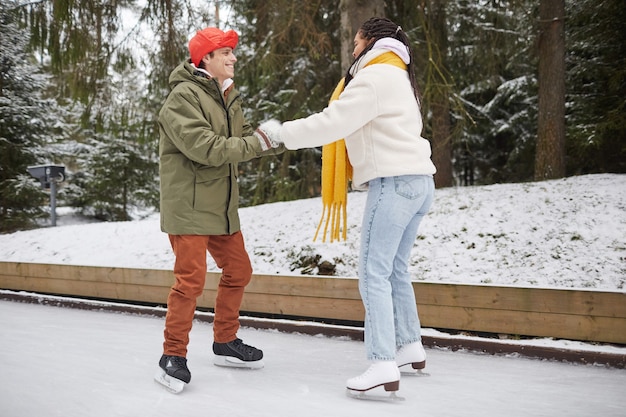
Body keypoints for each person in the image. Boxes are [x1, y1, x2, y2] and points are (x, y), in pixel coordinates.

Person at [258, 17, 436, 396]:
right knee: (395, 270)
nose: (353, 51)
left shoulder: (373, 78)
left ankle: (383, 362)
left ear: (372, 41)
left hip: (394, 183)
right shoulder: (398, 74)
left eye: (356, 44)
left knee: (373, 273)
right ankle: (410, 346)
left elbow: (332, 122)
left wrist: (281, 134)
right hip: (421, 181)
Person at [155, 27, 284, 393]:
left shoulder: (228, 96)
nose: (234, 58)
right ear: (205, 59)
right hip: (190, 207)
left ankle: (225, 340)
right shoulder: (182, 98)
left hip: (221, 207)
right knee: (190, 282)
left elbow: (246, 141)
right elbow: (209, 149)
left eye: (232, 52)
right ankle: (172, 356)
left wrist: (283, 137)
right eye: (225, 52)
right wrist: (257, 142)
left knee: (239, 270)